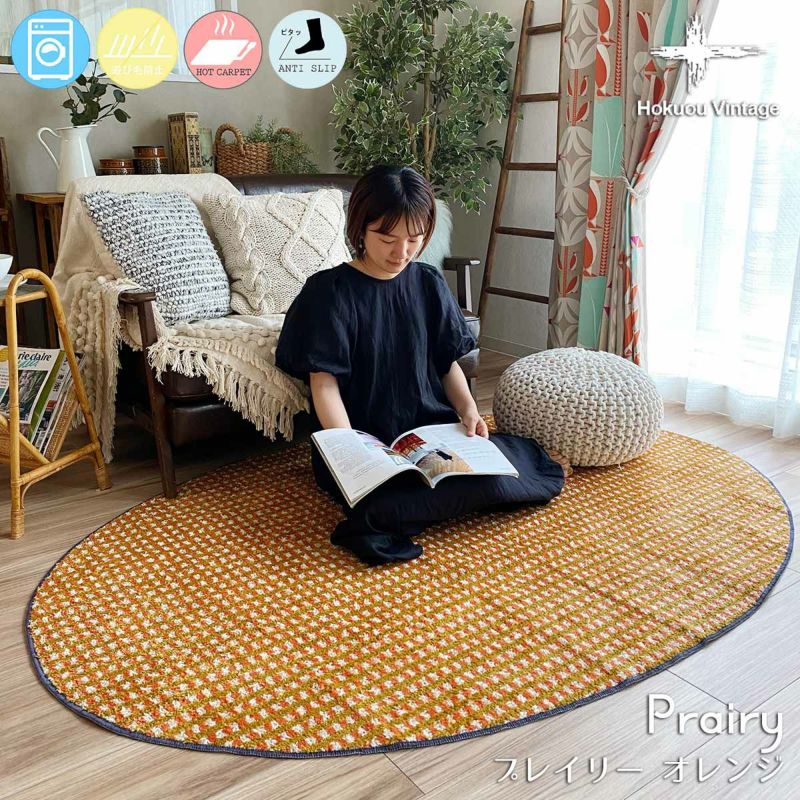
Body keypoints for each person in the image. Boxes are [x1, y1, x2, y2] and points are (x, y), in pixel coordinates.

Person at [275, 165, 567, 566]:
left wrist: (469, 411)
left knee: (501, 480)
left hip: (430, 432)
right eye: (387, 239)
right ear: (359, 228)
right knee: (381, 506)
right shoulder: (328, 292)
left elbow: (447, 364)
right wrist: (350, 450)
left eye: (414, 239)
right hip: (363, 440)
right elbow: (323, 384)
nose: (402, 252)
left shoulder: (427, 282)